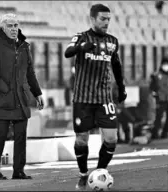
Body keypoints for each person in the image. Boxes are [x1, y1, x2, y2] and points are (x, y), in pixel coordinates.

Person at [64, 4, 127, 190]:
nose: (107, 22)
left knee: (111, 139)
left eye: (108, 19)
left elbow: (116, 65)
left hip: (104, 98)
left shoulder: (113, 41)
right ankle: (83, 174)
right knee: (81, 140)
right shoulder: (81, 36)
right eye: (103, 19)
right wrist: (82, 47)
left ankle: (99, 172)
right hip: (82, 99)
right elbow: (68, 52)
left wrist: (121, 87)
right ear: (92, 19)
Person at [0, 13, 44, 180]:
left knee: (20, 136)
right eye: (10, 26)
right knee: (0, 135)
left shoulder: (24, 47)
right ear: (3, 28)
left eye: (16, 25)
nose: (14, 29)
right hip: (3, 99)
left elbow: (30, 73)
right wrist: (5, 89)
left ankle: (19, 171)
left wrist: (37, 93)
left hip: (20, 99)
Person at [150, 57, 168, 139]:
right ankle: (155, 133)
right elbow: (152, 87)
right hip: (160, 99)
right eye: (165, 64)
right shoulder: (156, 75)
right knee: (159, 117)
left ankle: (165, 132)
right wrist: (155, 94)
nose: (166, 66)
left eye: (167, 64)